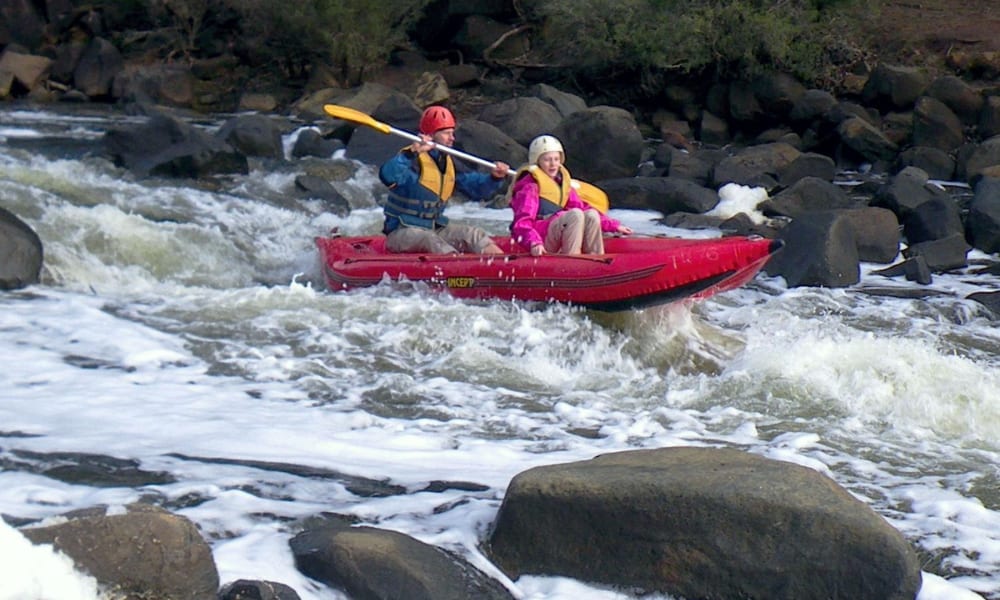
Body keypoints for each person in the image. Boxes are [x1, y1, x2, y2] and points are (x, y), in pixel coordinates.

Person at [379, 106, 510, 254]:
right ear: (431, 135)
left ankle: (506, 267)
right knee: (430, 240)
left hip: (434, 228)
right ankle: (457, 272)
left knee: (473, 234)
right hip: (401, 232)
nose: (452, 138)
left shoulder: (447, 162)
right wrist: (411, 154)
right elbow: (387, 176)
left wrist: (494, 178)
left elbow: (476, 188)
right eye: (446, 133)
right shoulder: (411, 159)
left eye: (452, 133)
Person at [509, 135, 632, 256]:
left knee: (590, 214)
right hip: (540, 239)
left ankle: (596, 256)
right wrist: (533, 242)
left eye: (556, 159)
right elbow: (521, 222)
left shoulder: (562, 183)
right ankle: (572, 259)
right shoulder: (530, 187)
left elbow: (583, 207)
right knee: (575, 214)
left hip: (554, 233)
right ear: (538, 161)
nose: (553, 164)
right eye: (547, 160)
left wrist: (614, 226)